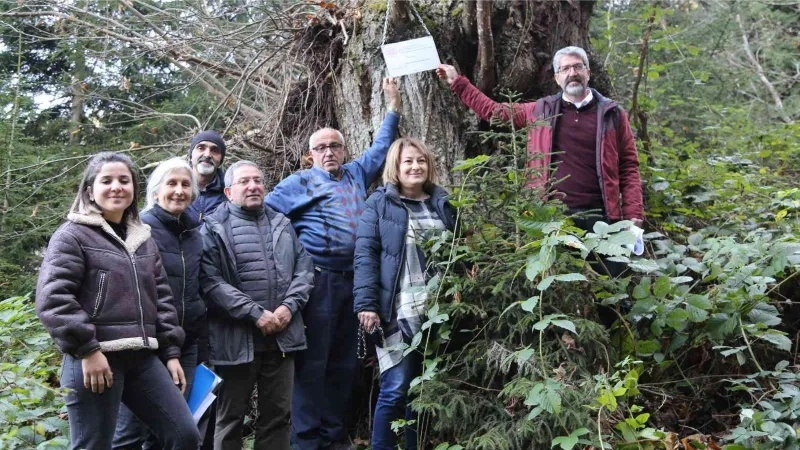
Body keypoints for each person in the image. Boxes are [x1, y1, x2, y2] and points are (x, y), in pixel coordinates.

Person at [265, 78, 401, 450]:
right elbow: (263, 215)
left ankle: (333, 437)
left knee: (344, 363)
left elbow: (382, 148)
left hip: (356, 283)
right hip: (318, 283)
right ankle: (306, 442)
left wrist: (393, 107)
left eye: (335, 146)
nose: (329, 152)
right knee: (313, 364)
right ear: (310, 154)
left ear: (344, 150)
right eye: (321, 147)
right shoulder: (299, 183)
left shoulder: (356, 173)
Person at [35, 152, 200, 450]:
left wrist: (171, 352)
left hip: (142, 358)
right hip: (95, 359)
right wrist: (88, 350)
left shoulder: (143, 240)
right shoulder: (72, 235)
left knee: (184, 435)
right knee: (93, 445)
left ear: (134, 190)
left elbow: (162, 300)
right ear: (90, 190)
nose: (116, 187)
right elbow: (54, 299)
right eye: (107, 180)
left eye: (124, 181)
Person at [436, 46, 644, 231]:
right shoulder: (540, 110)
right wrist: (457, 81)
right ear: (557, 78)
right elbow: (494, 112)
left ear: (588, 73)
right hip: (551, 219)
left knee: (609, 273)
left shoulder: (612, 113)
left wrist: (634, 212)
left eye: (578, 67)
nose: (572, 73)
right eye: (565, 69)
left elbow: (628, 167)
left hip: (603, 217)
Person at [200, 161, 314, 450]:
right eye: (244, 182)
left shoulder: (282, 223)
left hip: (282, 339)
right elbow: (210, 282)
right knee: (229, 419)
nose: (253, 186)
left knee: (278, 416)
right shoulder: (212, 227)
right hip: (235, 342)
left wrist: (289, 306)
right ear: (228, 191)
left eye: (258, 180)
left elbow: (304, 269)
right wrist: (254, 313)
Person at [353, 138, 457, 450]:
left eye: (420, 161)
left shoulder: (442, 202)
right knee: (396, 387)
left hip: (437, 310)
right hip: (395, 310)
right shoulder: (380, 203)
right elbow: (366, 254)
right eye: (407, 162)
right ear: (395, 168)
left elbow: (459, 250)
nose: (415, 167)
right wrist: (366, 304)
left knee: (422, 390)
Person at [112, 157, 205, 449]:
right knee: (130, 432)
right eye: (172, 184)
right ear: (155, 192)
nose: (179, 190)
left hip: (186, 342)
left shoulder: (194, 234)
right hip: (145, 345)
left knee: (173, 429)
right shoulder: (138, 231)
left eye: (185, 185)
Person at [186, 130, 228, 223]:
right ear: (191, 155)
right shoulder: (173, 189)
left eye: (214, 150)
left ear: (221, 160)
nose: (207, 154)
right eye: (201, 148)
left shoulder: (230, 193)